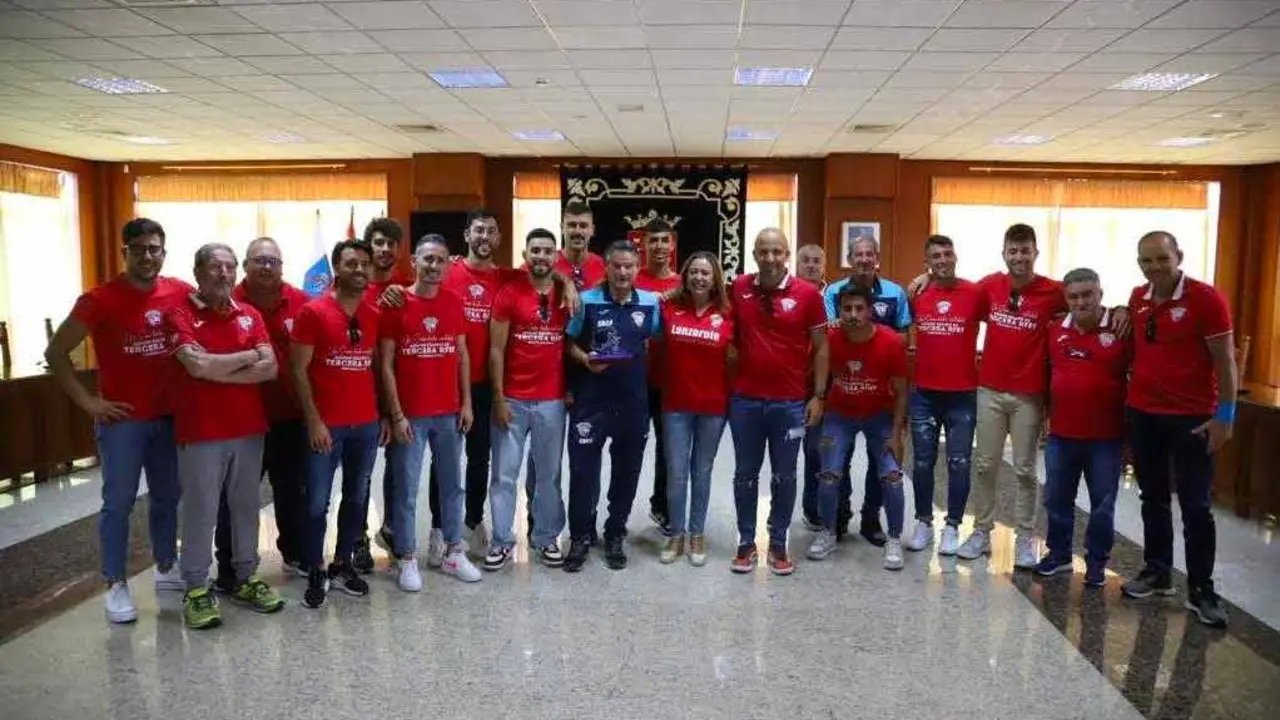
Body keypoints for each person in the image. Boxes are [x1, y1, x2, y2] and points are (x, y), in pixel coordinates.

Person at [45, 218, 188, 624]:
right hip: (123, 421)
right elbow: (56, 353)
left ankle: (165, 564)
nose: (147, 255)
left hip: (169, 417)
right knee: (118, 503)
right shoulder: (99, 299)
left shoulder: (180, 291)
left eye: (154, 248)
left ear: (164, 251)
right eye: (139, 248)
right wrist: (89, 403)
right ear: (124, 252)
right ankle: (115, 581)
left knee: (166, 496)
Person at [1122, 231, 1236, 628]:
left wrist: (1226, 416)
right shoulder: (1138, 299)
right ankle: (1157, 571)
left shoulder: (1206, 299)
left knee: (1196, 506)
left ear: (1178, 257)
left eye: (1160, 259)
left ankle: (1202, 588)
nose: (1153, 267)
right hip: (1144, 414)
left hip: (1193, 418)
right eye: (1145, 261)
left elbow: (1226, 362)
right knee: (1152, 497)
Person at [168, 243, 284, 629]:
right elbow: (195, 365)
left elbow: (270, 369)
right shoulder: (180, 312)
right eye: (215, 267)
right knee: (201, 511)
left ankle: (245, 578)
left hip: (249, 430)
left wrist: (216, 367)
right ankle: (197, 588)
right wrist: (245, 356)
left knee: (246, 507)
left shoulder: (249, 314)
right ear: (198, 272)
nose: (223, 274)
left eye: (230, 267)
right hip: (201, 432)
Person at [955, 224, 1066, 568]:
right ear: (1004, 254)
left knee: (1024, 470)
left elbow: (1088, 300)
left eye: (1025, 250)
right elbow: (955, 292)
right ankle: (981, 532)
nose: (1020, 257)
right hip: (989, 389)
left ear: (1035, 252)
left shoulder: (1054, 291)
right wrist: (925, 279)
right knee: (985, 465)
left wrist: (1119, 311)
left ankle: (1024, 538)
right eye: (1013, 251)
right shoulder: (990, 286)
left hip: (1028, 395)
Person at [379, 235, 481, 590]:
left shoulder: (454, 302)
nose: (434, 266)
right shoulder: (396, 303)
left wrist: (466, 402)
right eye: (427, 259)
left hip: (449, 412)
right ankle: (405, 557)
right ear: (414, 263)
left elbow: (462, 355)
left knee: (453, 485)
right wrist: (396, 414)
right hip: (411, 415)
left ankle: (453, 550)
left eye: (440, 260)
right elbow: (386, 363)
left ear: (448, 265)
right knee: (406, 488)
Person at [210, 237, 311, 590]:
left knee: (293, 492)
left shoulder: (301, 303)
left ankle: (296, 553)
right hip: (240, 421)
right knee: (234, 498)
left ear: (282, 267)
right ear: (245, 266)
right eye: (259, 260)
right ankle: (229, 567)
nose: (267, 266)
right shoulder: (224, 303)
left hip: (291, 418)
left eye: (273, 261)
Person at [729, 228, 828, 575]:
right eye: (763, 252)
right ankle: (745, 541)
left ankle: (779, 541)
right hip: (745, 402)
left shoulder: (808, 295)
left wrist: (818, 396)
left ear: (787, 255)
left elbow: (822, 348)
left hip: (789, 404)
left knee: (785, 475)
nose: (770, 259)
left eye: (776, 252)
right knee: (745, 474)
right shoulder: (739, 287)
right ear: (754, 254)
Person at [292, 239, 384, 609]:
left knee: (357, 497)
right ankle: (314, 566)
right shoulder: (313, 313)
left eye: (365, 264)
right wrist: (313, 421)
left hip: (364, 424)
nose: (360, 270)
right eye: (351, 264)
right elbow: (297, 371)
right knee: (316, 502)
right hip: (325, 426)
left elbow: (374, 368)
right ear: (336, 268)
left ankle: (343, 563)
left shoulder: (373, 315)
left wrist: (381, 416)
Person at [563, 240, 663, 572]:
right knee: (582, 474)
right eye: (616, 266)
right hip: (590, 403)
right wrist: (584, 359)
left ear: (638, 269)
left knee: (626, 474)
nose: (622, 272)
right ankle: (580, 535)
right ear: (606, 267)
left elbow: (654, 340)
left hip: (633, 404)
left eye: (629, 266)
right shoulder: (585, 301)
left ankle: (615, 533)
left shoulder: (650, 303)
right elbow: (567, 344)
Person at [809, 235, 911, 546]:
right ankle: (834, 525)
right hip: (842, 406)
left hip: (880, 404)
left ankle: (874, 523)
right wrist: (819, 396)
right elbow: (827, 345)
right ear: (850, 258)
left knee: (887, 472)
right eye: (858, 254)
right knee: (833, 469)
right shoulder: (834, 295)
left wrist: (898, 427)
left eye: (870, 254)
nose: (853, 314)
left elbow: (903, 346)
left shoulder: (895, 295)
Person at [1039, 268, 1131, 587]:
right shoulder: (1055, 330)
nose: (1082, 302)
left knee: (1102, 506)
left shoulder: (1121, 328)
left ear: (1100, 294)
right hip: (1062, 435)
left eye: (1088, 295)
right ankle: (1059, 554)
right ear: (1066, 299)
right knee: (1056, 498)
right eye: (1074, 296)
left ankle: (1096, 562)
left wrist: (1125, 310)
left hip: (1106, 438)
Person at [486, 229, 570, 571]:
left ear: (555, 257)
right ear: (525, 253)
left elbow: (573, 342)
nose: (541, 257)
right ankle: (502, 540)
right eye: (535, 250)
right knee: (504, 474)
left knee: (548, 474)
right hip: (513, 400)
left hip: (551, 400)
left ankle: (547, 537)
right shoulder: (509, 293)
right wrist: (499, 398)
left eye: (547, 251)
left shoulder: (566, 294)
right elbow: (495, 350)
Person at [903, 235, 986, 555]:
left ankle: (952, 525)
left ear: (956, 256)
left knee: (959, 462)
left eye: (947, 254)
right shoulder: (918, 293)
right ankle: (924, 521)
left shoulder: (975, 293)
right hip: (924, 393)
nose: (942, 260)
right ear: (927, 262)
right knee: (922, 462)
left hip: (963, 394)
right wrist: (924, 279)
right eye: (935, 256)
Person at [658, 252, 734, 566]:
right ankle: (676, 533)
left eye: (706, 273)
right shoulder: (669, 306)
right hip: (676, 404)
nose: (700, 278)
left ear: (715, 278)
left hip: (713, 406)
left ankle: (697, 533)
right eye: (694, 272)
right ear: (685, 275)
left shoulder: (728, 313)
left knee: (701, 472)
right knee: (676, 471)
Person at [358, 217, 405, 572]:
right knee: (360, 472)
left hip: (401, 394)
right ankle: (356, 536)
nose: (385, 249)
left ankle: (390, 528)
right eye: (378, 242)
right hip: (359, 395)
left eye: (391, 243)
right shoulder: (350, 288)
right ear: (368, 246)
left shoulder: (407, 287)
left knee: (398, 467)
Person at [634, 218, 681, 534]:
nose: (659, 247)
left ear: (673, 244)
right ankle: (618, 515)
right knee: (630, 447)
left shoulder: (684, 283)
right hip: (633, 379)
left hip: (669, 380)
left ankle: (661, 506)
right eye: (653, 241)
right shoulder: (629, 278)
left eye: (664, 240)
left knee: (669, 448)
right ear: (643, 245)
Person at [557, 200, 607, 289]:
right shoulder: (548, 264)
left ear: (592, 230)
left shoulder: (604, 268)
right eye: (572, 225)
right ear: (562, 228)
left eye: (583, 226)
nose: (578, 231)